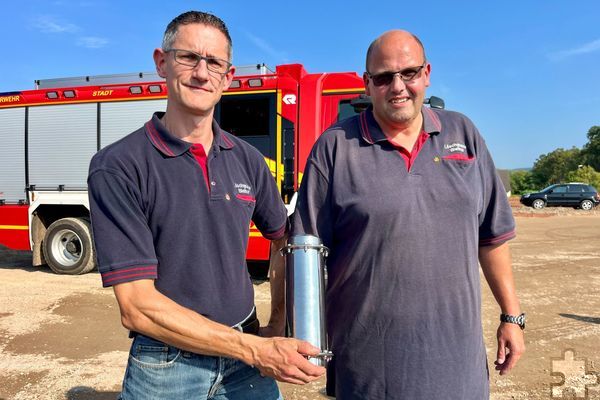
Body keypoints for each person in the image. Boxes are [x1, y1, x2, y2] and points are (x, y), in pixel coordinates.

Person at [88, 10, 324, 400]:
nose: (202, 73)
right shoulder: (119, 166)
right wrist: (255, 349)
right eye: (188, 57)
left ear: (228, 78)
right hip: (168, 365)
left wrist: (277, 320)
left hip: (245, 355)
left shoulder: (247, 158)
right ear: (161, 64)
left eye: (214, 62)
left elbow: (283, 240)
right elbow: (137, 307)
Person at [292, 30, 525, 399]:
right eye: (383, 78)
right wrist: (300, 336)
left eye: (409, 73)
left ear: (427, 73)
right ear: (367, 84)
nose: (398, 87)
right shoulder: (336, 148)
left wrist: (511, 316)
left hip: (457, 365)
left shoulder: (463, 134)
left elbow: (492, 236)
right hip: (369, 369)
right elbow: (303, 252)